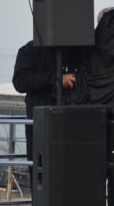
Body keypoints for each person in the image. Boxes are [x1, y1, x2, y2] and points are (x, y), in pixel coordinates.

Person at [12, 42, 83, 190]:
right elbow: (20, 81)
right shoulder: (29, 50)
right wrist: (56, 79)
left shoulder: (77, 49)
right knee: (41, 177)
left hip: (72, 122)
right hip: (41, 125)